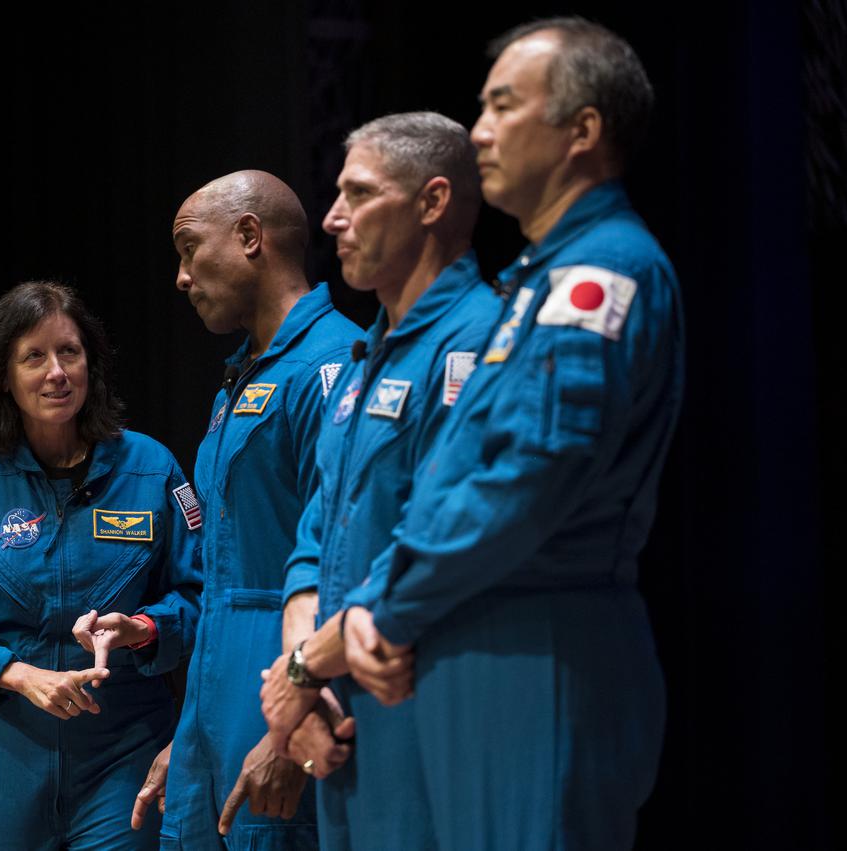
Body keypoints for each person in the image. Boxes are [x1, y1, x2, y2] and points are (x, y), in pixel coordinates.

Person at [341, 19, 684, 850]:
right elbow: (454, 478)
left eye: (502, 106)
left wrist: (388, 603)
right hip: (480, 644)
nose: (481, 131)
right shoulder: (539, 280)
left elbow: (529, 478)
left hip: (541, 651)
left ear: (582, 130)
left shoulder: (599, 275)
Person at [255, 112, 496, 850]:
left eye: (358, 195)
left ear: (431, 203)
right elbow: (317, 527)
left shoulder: (481, 340)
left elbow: (438, 534)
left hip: (425, 691)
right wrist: (304, 683)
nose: (332, 218)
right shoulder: (368, 356)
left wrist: (303, 667)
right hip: (339, 705)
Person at [0, 281, 202, 850]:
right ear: (3, 377)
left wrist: (144, 629)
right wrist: (17, 675)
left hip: (125, 744)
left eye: (70, 352)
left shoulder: (150, 467)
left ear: (92, 363)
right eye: (33, 356)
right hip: (1, 748)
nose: (56, 372)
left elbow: (199, 593)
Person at [143, 170, 360, 850]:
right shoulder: (240, 380)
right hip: (220, 696)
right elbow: (221, 577)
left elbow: (341, 566)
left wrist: (288, 724)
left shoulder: (335, 365)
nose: (181, 277)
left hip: (288, 693)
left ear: (248, 236)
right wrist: (193, 728)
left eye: (188, 249)